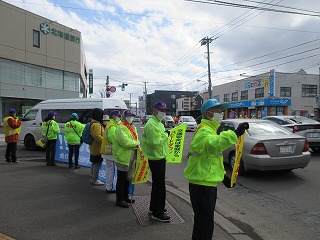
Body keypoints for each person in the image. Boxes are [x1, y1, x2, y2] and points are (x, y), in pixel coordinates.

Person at [184, 99, 249, 240]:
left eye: (221, 111)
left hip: (204, 183)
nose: (221, 114)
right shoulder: (205, 131)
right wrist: (235, 133)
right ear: (207, 114)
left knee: (203, 224)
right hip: (203, 186)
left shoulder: (209, 129)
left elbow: (211, 159)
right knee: (205, 226)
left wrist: (223, 176)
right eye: (217, 111)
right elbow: (213, 145)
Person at [142, 101, 171, 222]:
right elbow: (154, 143)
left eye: (164, 111)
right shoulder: (152, 124)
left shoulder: (157, 123)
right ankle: (157, 212)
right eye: (161, 110)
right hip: (156, 158)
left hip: (159, 157)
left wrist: (164, 134)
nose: (163, 113)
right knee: (159, 186)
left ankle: (155, 207)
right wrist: (166, 135)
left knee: (157, 185)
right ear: (154, 110)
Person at [113, 110, 140, 208]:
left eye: (132, 116)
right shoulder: (121, 127)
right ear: (124, 117)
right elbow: (125, 142)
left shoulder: (132, 128)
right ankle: (119, 199)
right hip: (122, 157)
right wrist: (137, 144)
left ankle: (125, 197)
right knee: (121, 179)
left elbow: (135, 140)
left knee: (127, 179)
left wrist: (136, 143)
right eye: (129, 116)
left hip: (130, 157)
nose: (131, 118)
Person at [101, 110, 121, 194]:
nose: (119, 118)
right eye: (118, 116)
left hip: (107, 151)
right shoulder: (112, 126)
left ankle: (108, 187)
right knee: (110, 170)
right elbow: (113, 139)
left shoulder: (112, 125)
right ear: (113, 116)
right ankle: (109, 187)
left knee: (109, 169)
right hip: (110, 152)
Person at [89, 108, 105, 186]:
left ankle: (92, 178)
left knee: (94, 163)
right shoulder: (97, 125)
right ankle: (95, 179)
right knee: (97, 164)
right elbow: (97, 136)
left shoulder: (92, 123)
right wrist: (104, 141)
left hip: (93, 146)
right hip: (97, 147)